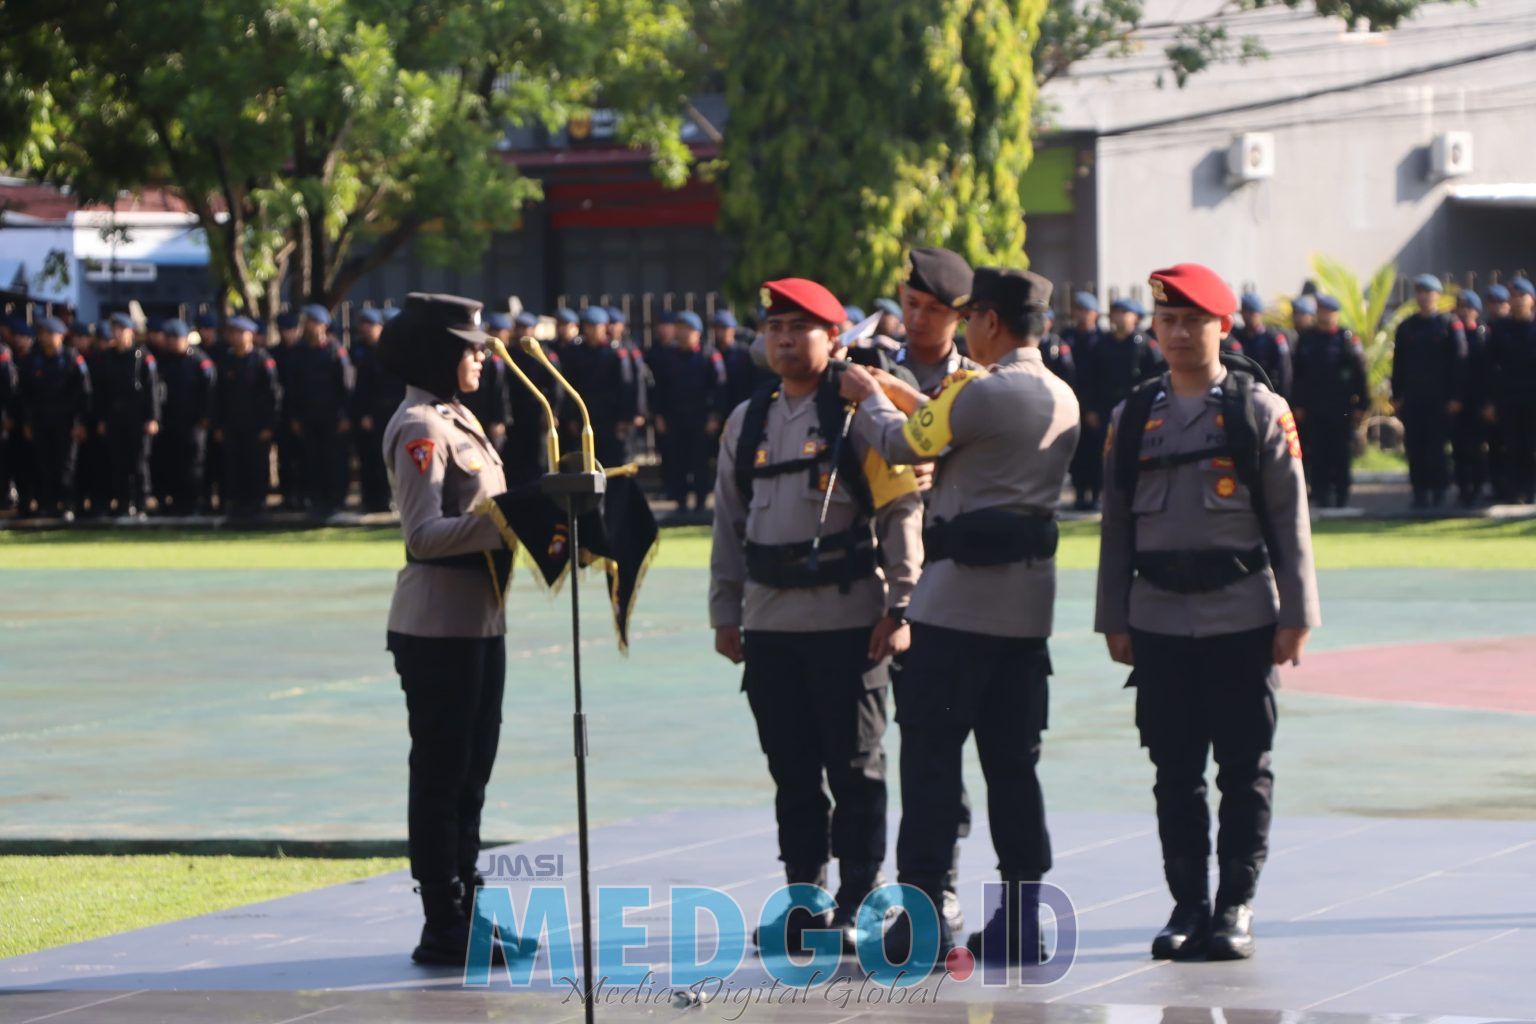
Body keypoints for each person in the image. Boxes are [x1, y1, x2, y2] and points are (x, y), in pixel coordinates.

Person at [839, 266, 1080, 966]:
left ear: (992, 323)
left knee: (933, 766)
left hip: (954, 612)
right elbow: (956, 423)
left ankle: (919, 917)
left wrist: (865, 395)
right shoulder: (1060, 395)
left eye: (972, 318)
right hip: (1026, 613)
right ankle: (1022, 915)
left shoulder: (979, 390)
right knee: (1015, 768)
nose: (967, 329)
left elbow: (903, 443)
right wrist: (907, 396)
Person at [1096, 263, 1321, 962]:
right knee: (1174, 771)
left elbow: (1290, 520)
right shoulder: (1133, 416)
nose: (1180, 332)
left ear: (1223, 327)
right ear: (1155, 328)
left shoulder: (1258, 410)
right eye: (1168, 320)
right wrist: (1114, 616)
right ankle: (1188, 902)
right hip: (1159, 616)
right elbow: (1116, 526)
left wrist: (1297, 613)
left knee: (1244, 766)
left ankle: (1236, 905)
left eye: (1195, 320)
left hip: (1241, 614)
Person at [709, 277, 923, 954]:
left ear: (834, 339)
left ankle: (860, 898)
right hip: (771, 624)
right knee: (791, 771)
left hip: (847, 622)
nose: (781, 340)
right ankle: (804, 896)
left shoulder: (857, 412)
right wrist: (725, 611)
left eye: (797, 329)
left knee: (854, 768)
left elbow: (898, 508)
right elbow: (728, 522)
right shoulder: (748, 420)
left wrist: (902, 602)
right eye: (773, 328)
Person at [377, 292, 517, 966]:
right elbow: (424, 536)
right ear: (439, 353)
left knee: (472, 776)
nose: (482, 355)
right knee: (441, 776)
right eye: (470, 346)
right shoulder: (418, 426)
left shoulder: (459, 419)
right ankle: (443, 921)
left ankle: (470, 911)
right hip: (436, 627)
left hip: (480, 621)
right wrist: (506, 522)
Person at [1391, 275, 1467, 508]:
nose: (1424, 296)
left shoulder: (1448, 324)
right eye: (1420, 292)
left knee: (1437, 447)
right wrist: (1397, 395)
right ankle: (1420, 491)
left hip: (1440, 398)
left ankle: (1440, 490)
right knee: (1415, 447)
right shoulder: (1407, 326)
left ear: (1437, 295)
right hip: (1414, 398)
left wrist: (1456, 397)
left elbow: (1459, 362)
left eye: (1428, 292)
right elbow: (1399, 364)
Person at [1291, 296, 1368, 508]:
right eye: (1321, 310)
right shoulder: (1307, 339)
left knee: (1340, 451)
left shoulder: (1347, 339)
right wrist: (1297, 404)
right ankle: (1321, 493)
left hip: (1341, 407)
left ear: (1335, 314)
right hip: (1314, 406)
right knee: (1317, 451)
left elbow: (1360, 374)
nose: (1324, 315)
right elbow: (1298, 375)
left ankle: (1342, 493)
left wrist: (1362, 404)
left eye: (1328, 311)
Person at [19, 317, 93, 519]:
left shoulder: (72, 358)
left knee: (66, 465)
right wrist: (27, 421)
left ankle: (68, 504)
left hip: (66, 422)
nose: (46, 338)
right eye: (43, 333)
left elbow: (84, 393)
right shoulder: (34, 359)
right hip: (41, 421)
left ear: (61, 336)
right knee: (44, 464)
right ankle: (47, 504)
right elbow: (25, 394)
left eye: (50, 334)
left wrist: (80, 422)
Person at [286, 304, 354, 516]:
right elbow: (292, 387)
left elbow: (347, 386)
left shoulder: (335, 350)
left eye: (314, 322)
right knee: (311, 460)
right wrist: (295, 416)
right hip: (308, 417)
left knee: (333, 460)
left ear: (324, 325)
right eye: (307, 322)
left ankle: (335, 500)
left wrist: (345, 415)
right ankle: (316, 500)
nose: (310, 327)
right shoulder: (299, 351)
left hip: (332, 417)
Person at [214, 316, 283, 518]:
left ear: (250, 335)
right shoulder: (226, 361)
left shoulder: (263, 361)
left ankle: (257, 502)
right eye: (233, 333)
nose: (236, 337)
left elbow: (273, 395)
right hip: (232, 426)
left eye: (240, 333)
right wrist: (218, 424)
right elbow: (218, 396)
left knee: (256, 466)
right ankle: (236, 504)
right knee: (234, 467)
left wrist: (269, 425)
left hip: (257, 426)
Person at [92, 313, 160, 517]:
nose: (117, 333)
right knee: (118, 462)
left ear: (130, 332)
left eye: (121, 329)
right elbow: (101, 391)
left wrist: (153, 418)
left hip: (137, 418)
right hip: (115, 417)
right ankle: (123, 503)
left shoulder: (142, 356)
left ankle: (141, 502)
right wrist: (102, 419)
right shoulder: (107, 357)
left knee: (139, 462)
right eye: (114, 330)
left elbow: (152, 390)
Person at [151, 319, 216, 515]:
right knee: (170, 463)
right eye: (169, 338)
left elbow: (210, 392)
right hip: (169, 422)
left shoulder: (199, 361)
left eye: (176, 338)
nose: (172, 342)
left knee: (193, 465)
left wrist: (206, 417)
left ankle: (193, 503)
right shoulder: (163, 360)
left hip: (193, 423)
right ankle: (171, 502)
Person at [895, 247, 979, 395]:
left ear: (961, 314)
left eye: (934, 309)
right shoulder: (870, 360)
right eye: (912, 304)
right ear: (901, 294)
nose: (919, 319)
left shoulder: (973, 383)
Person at [1487, 277, 1536, 504]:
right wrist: (1490, 401)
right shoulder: (1500, 328)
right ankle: (1514, 491)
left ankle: (1532, 491)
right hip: (1508, 398)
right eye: (1513, 297)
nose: (1517, 301)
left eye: (1521, 296)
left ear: (1531, 300)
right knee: (1512, 446)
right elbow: (1488, 366)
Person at [350, 307, 403, 512]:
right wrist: (364, 413)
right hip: (374, 414)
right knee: (370, 458)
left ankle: (388, 498)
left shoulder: (396, 353)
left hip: (394, 412)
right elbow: (362, 387)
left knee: (391, 460)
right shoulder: (367, 353)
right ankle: (372, 500)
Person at [1061, 292, 1105, 509]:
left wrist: (1094, 407)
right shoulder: (1067, 337)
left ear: (1095, 314)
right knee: (1076, 450)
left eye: (1086, 311)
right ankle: (1079, 494)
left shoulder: (1102, 340)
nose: (1081, 315)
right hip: (1070, 400)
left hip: (1094, 403)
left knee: (1095, 450)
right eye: (1078, 310)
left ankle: (1096, 494)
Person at [1451, 290, 1491, 507]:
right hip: (1457, 401)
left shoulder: (1485, 334)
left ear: (1476, 311)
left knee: (1477, 447)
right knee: (1458, 447)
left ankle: (1478, 486)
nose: (1464, 311)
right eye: (1461, 307)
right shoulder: (1451, 333)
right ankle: (1463, 488)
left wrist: (1488, 401)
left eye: (1469, 307)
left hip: (1479, 400)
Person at [1229, 294, 1293, 400]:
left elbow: (1285, 370)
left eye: (1251, 313)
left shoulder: (1273, 338)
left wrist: (1284, 397)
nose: (1247, 316)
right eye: (1245, 312)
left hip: (1268, 392)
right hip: (1243, 392)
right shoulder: (1237, 336)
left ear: (1259, 314)